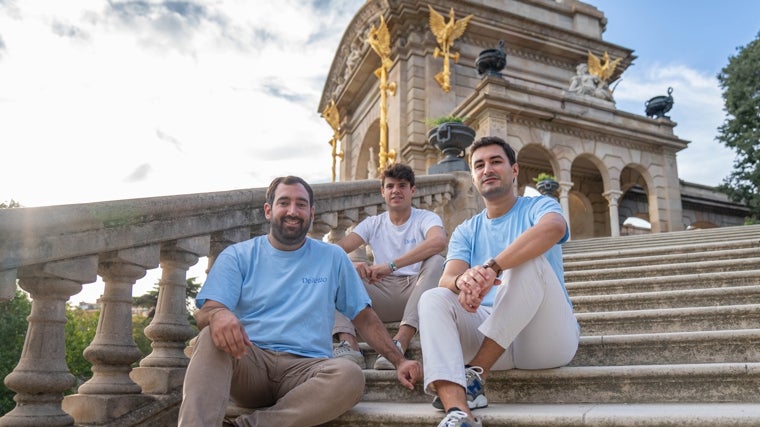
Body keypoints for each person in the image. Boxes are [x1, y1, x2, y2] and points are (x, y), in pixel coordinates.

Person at [178, 176, 422, 427]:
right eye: (284, 202)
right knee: (210, 336)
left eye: (301, 204)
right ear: (268, 210)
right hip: (250, 360)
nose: (293, 211)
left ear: (312, 213)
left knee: (350, 375)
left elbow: (365, 317)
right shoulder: (238, 255)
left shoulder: (332, 257)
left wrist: (399, 361)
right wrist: (218, 315)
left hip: (305, 370)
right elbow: (206, 312)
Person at [418, 137, 580, 427]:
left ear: (514, 170)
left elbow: (554, 227)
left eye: (495, 161)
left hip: (544, 340)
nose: (487, 169)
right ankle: (459, 411)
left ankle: (476, 372)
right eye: (479, 165)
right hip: (489, 330)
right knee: (433, 297)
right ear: (473, 177)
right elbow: (447, 279)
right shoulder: (467, 230)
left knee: (527, 260)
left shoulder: (539, 205)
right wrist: (464, 281)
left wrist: (493, 267)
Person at [333, 163, 446, 370]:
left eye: (402, 185)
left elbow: (438, 242)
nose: (396, 190)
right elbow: (333, 252)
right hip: (380, 294)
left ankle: (401, 339)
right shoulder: (372, 223)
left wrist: (391, 266)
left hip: (417, 293)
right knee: (335, 271)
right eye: (390, 186)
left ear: (412, 190)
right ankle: (348, 343)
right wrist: (351, 264)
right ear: (382, 192)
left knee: (437, 260)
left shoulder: (426, 218)